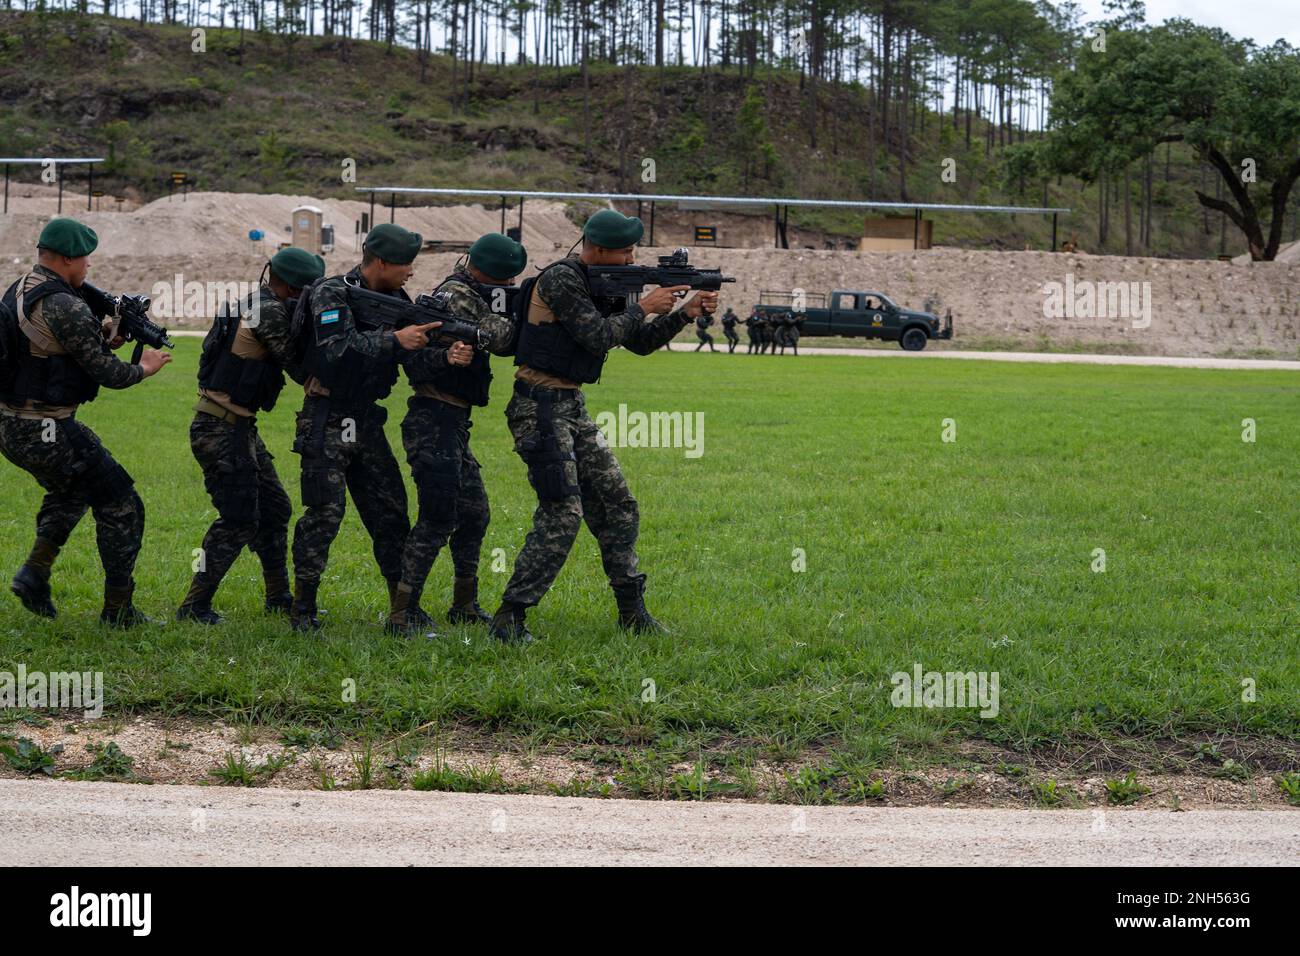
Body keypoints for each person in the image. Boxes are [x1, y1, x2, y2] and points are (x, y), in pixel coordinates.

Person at [490, 209, 719, 643]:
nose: (633, 261)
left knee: (618, 504)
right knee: (563, 511)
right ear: (595, 249)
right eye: (625, 253)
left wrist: (685, 313)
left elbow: (640, 344)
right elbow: (596, 336)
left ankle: (632, 613)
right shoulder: (561, 279)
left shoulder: (610, 284)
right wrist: (647, 305)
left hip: (570, 403)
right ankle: (510, 617)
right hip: (537, 405)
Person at [0, 218, 172, 625]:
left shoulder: (20, 287)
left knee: (70, 493)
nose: (88, 267)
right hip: (46, 428)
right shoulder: (67, 304)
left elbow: (51, 351)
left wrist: (107, 338)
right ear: (66, 259)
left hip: (12, 424)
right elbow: (110, 375)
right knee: (122, 504)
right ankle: (118, 610)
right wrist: (145, 367)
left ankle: (35, 573)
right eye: (84, 259)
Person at [288, 223, 439, 632]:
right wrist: (395, 340)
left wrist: (448, 354)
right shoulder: (331, 292)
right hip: (328, 416)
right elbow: (335, 348)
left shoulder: (397, 299)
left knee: (390, 514)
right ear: (383, 262)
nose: (411, 272)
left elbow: (413, 361)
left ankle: (402, 610)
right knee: (324, 513)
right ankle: (302, 609)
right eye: (406, 264)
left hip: (367, 420)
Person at [176, 247, 325, 624]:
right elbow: (297, 364)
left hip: (237, 426)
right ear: (294, 288)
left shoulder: (253, 302)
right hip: (221, 428)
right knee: (239, 518)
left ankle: (277, 594)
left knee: (275, 509)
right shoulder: (269, 311)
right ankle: (194, 605)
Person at [387, 233, 525, 635]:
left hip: (453, 423)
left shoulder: (473, 294)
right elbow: (500, 338)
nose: (509, 288)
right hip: (433, 420)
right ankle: (402, 612)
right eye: (506, 280)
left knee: (474, 514)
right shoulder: (456, 295)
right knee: (436, 518)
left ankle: (464, 603)